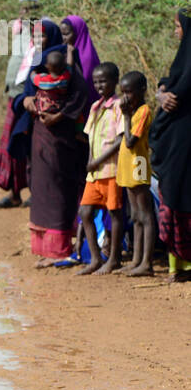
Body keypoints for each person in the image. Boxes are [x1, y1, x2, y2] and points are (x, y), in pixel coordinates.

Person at [12, 19, 89, 268]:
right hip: (39, 133)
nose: (40, 41)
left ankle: (60, 248)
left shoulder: (67, 62)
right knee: (41, 187)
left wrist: (60, 115)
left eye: (44, 37)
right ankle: (43, 248)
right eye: (37, 37)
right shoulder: (36, 62)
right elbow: (24, 93)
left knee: (59, 188)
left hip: (61, 137)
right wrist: (28, 102)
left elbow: (79, 94)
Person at [151, 8, 191, 282]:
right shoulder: (183, 62)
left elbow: (180, 92)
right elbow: (168, 86)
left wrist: (166, 95)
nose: (175, 32)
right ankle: (178, 266)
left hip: (186, 145)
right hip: (177, 145)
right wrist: (161, 94)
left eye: (178, 26)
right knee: (174, 196)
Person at [0, 0, 40, 208]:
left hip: (28, 95)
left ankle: (34, 192)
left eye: (31, 8)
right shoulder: (18, 28)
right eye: (23, 8)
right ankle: (14, 193)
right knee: (11, 145)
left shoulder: (41, 31)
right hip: (13, 93)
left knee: (29, 144)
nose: (26, 11)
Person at [77, 62, 124, 275]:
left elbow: (120, 140)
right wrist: (90, 162)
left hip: (112, 169)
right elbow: (91, 138)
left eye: (104, 81)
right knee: (85, 211)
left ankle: (114, 259)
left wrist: (97, 161)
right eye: (96, 82)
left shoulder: (119, 106)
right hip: (94, 173)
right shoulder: (95, 107)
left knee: (114, 213)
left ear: (115, 81)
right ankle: (96, 258)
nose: (99, 85)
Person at [118, 71, 154, 276]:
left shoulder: (143, 111)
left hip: (138, 163)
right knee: (136, 215)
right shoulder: (132, 111)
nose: (125, 97)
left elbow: (131, 141)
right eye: (122, 92)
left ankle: (146, 263)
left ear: (142, 91)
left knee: (145, 214)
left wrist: (126, 116)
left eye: (129, 92)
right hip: (128, 165)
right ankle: (136, 259)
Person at [61, 14, 100, 107]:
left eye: (67, 34)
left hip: (85, 105)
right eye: (61, 34)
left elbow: (83, 86)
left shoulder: (86, 57)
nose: (63, 38)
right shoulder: (65, 51)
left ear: (78, 32)